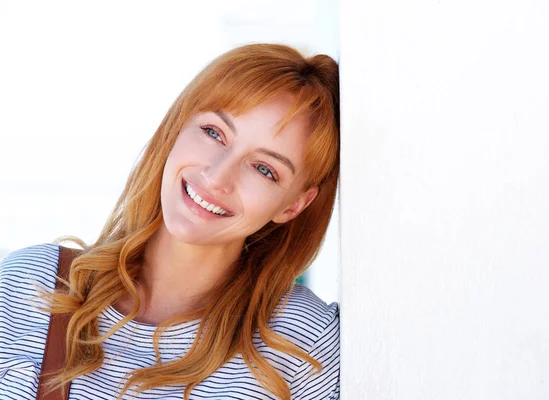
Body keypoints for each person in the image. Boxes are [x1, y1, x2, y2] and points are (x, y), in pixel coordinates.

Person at [0, 43, 340, 400]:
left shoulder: (302, 345)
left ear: (294, 206)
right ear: (177, 128)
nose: (217, 177)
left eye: (264, 169)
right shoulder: (31, 286)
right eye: (214, 132)